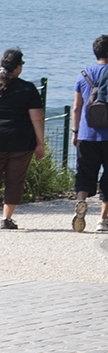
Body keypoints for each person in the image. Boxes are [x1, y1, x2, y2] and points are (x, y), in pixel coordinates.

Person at [72, 34, 108, 232]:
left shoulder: (83, 74)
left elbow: (76, 108)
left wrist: (75, 132)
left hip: (87, 134)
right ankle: (103, 219)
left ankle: (81, 203)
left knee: (85, 171)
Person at [0, 49, 46, 230]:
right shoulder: (28, 89)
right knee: (15, 180)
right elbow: (37, 118)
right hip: (21, 141)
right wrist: (40, 143)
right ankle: (6, 219)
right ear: (18, 67)